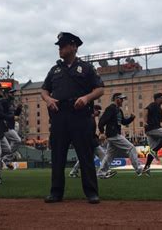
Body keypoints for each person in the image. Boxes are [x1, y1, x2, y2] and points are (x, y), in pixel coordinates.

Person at [41, 32, 104, 204]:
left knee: (85, 155)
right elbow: (44, 90)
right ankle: (56, 192)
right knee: (58, 156)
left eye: (63, 45)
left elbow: (100, 89)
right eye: (59, 46)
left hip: (80, 115)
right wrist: (48, 99)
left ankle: (91, 192)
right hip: (59, 115)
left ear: (74, 46)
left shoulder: (86, 68)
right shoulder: (55, 70)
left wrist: (86, 98)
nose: (60, 49)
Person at [97, 93, 143, 178]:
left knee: (109, 155)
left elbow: (124, 122)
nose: (122, 101)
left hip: (114, 134)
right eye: (121, 99)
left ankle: (101, 173)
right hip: (113, 134)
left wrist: (131, 118)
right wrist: (102, 132)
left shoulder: (119, 110)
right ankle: (139, 169)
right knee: (131, 147)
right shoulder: (111, 108)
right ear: (116, 99)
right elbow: (101, 121)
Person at [69, 105, 105, 178]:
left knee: (84, 157)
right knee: (102, 154)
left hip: (90, 141)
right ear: (94, 110)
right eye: (98, 111)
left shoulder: (91, 118)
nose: (99, 113)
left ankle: (73, 171)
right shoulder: (90, 118)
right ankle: (103, 171)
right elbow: (87, 132)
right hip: (90, 142)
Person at [142, 93, 162, 176]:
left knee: (152, 151)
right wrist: (145, 122)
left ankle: (146, 167)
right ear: (157, 99)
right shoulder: (153, 105)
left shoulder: (159, 108)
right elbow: (146, 110)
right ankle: (155, 150)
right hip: (153, 128)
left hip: (152, 130)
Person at [2, 88, 23, 169]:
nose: (13, 94)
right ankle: (6, 159)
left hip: (11, 126)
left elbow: (15, 115)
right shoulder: (3, 102)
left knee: (9, 146)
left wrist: (19, 109)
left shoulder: (11, 103)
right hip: (5, 127)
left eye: (13, 93)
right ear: (6, 94)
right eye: (11, 93)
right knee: (17, 140)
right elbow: (1, 114)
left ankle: (5, 159)